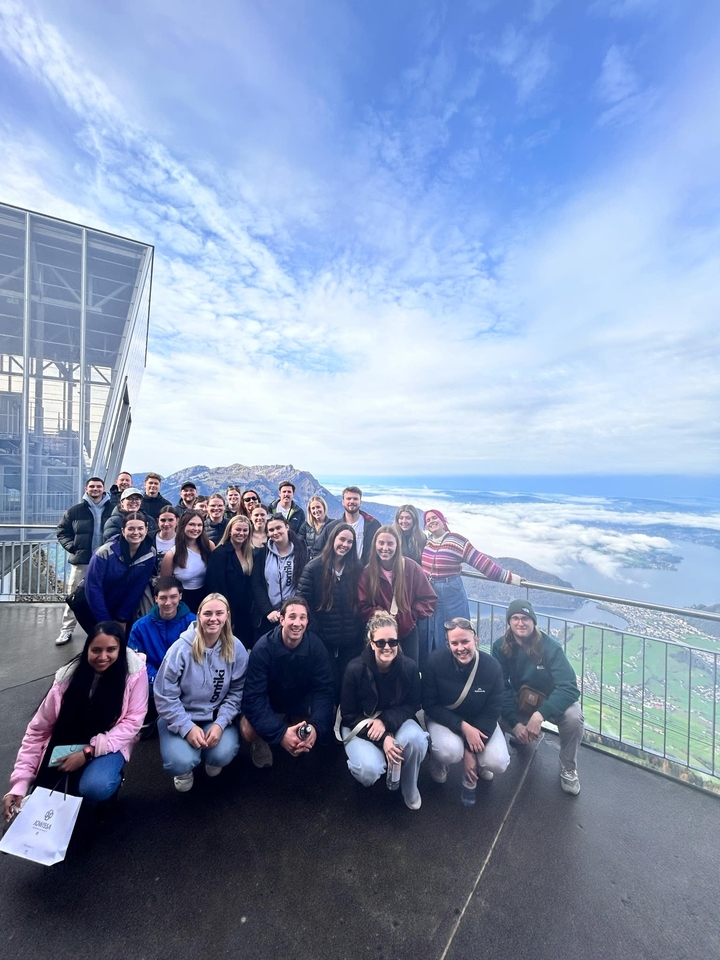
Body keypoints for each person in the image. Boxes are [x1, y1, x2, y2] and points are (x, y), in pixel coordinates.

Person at [3, 621, 148, 818]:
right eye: (96, 650)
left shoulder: (134, 674)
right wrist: (20, 784)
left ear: (120, 650)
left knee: (95, 786)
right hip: (67, 744)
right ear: (86, 649)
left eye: (111, 650)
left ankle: (109, 786)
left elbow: (132, 722)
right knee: (47, 802)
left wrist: (87, 753)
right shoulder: (66, 681)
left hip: (111, 742)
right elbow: (38, 731)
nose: (103, 657)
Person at [154, 593, 248, 792]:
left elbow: (237, 692)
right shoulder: (180, 649)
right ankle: (184, 769)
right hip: (181, 715)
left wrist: (221, 723)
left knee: (222, 753)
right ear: (199, 615)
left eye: (219, 613)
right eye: (208, 613)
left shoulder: (236, 648)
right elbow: (164, 695)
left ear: (227, 616)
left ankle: (211, 758)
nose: (213, 618)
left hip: (214, 716)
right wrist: (186, 727)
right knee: (181, 760)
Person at [492, 600, 584, 795]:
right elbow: (501, 687)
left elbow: (569, 688)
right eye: (515, 618)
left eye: (525, 618)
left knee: (574, 716)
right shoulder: (500, 647)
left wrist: (541, 714)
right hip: (520, 701)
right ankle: (518, 735)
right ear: (509, 622)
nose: (520, 623)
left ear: (533, 621)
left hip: (549, 701)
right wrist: (515, 722)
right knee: (490, 709)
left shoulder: (551, 647)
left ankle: (568, 767)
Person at [340, 611, 427, 811]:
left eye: (392, 642)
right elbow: (348, 716)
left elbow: (414, 704)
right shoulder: (355, 670)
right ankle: (375, 765)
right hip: (360, 725)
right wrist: (384, 738)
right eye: (380, 642)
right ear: (371, 643)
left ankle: (409, 786)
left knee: (418, 739)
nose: (387, 647)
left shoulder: (409, 667)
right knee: (368, 771)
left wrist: (385, 722)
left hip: (393, 722)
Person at [423, 616, 510, 805]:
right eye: (454, 643)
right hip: (445, 719)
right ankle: (439, 761)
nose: (460, 648)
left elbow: (492, 711)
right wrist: (463, 727)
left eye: (465, 641)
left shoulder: (492, 668)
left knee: (499, 762)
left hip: (480, 721)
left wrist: (470, 751)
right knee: (449, 752)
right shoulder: (435, 662)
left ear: (476, 640)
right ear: (448, 644)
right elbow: (430, 705)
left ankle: (479, 763)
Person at [419, 508, 523, 666]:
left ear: (443, 521)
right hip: (429, 592)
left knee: (455, 632)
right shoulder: (428, 542)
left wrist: (509, 578)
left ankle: (457, 672)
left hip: (450, 593)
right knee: (431, 634)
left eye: (435, 518)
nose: (431, 521)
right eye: (428, 520)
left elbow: (481, 562)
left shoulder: (456, 541)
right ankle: (435, 671)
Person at [240, 597, 334, 768]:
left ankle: (298, 730)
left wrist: (315, 727)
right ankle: (263, 740)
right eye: (292, 616)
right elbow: (254, 697)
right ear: (281, 620)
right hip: (270, 702)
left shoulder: (316, 647)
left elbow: (324, 690)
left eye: (302, 617)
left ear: (307, 621)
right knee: (248, 728)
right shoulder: (262, 648)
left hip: (299, 700)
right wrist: (280, 734)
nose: (297, 623)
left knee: (327, 711)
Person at [297, 523, 365, 701]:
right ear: (332, 539)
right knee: (328, 685)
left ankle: (347, 725)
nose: (345, 544)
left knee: (348, 686)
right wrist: (317, 631)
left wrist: (357, 629)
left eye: (350, 541)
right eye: (342, 539)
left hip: (351, 640)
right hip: (323, 640)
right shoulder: (313, 568)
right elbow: (303, 603)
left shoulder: (357, 569)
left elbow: (363, 600)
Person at [358, 526, 436, 666]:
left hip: (407, 632)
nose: (385, 548)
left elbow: (428, 598)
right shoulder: (368, 573)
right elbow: (362, 605)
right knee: (380, 672)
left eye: (390, 543)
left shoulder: (411, 568)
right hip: (379, 634)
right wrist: (382, 616)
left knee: (409, 671)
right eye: (381, 543)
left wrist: (410, 615)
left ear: (397, 545)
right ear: (375, 544)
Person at [55, 477, 114, 646]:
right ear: (86, 489)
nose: (95, 489)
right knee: (74, 595)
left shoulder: (113, 509)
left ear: (104, 489)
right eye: (92, 486)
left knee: (105, 596)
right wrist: (73, 547)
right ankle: (66, 629)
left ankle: (103, 630)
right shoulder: (75, 511)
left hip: (105, 562)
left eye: (99, 486)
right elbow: (62, 531)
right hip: (83, 561)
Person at [128, 575, 195, 712]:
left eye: (173, 597)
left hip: (186, 681)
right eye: (163, 597)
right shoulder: (140, 627)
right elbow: (135, 660)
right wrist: (157, 679)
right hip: (153, 682)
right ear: (156, 598)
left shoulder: (194, 624)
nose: (168, 602)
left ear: (180, 596)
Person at [85, 511, 157, 634]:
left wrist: (122, 617)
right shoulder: (105, 552)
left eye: (140, 528)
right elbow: (93, 588)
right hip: (97, 606)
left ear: (146, 530)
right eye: (131, 529)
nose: (136, 533)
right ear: (123, 531)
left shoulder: (150, 553)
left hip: (123, 606)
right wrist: (105, 621)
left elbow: (138, 587)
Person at [251, 514, 308, 638]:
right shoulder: (263, 554)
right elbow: (256, 584)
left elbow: (305, 584)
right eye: (271, 530)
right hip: (270, 617)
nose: (275, 532)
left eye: (278, 528)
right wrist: (268, 610)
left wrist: (293, 609)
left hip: (294, 615)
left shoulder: (302, 551)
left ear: (287, 527)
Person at [205, 515, 254, 647]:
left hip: (246, 611)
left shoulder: (249, 552)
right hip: (229, 612)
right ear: (230, 530)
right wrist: (227, 617)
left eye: (245, 530)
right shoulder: (220, 554)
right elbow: (217, 587)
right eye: (238, 529)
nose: (241, 533)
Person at [160, 509, 214, 613]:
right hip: (183, 602)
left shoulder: (209, 546)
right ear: (183, 526)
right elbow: (165, 585)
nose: (196, 528)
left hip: (207, 598)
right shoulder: (172, 555)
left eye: (199, 525)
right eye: (192, 524)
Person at [314, 486, 381, 564]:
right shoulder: (332, 527)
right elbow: (316, 551)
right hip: (339, 574)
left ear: (360, 502)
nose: (352, 501)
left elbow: (381, 549)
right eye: (348, 499)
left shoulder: (373, 525)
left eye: (355, 499)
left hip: (365, 573)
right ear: (343, 502)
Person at [298, 495, 334, 559]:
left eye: (318, 507)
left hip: (327, 562)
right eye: (313, 508)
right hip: (309, 562)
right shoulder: (305, 526)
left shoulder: (332, 524)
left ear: (324, 507)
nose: (316, 510)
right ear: (310, 511)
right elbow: (299, 544)